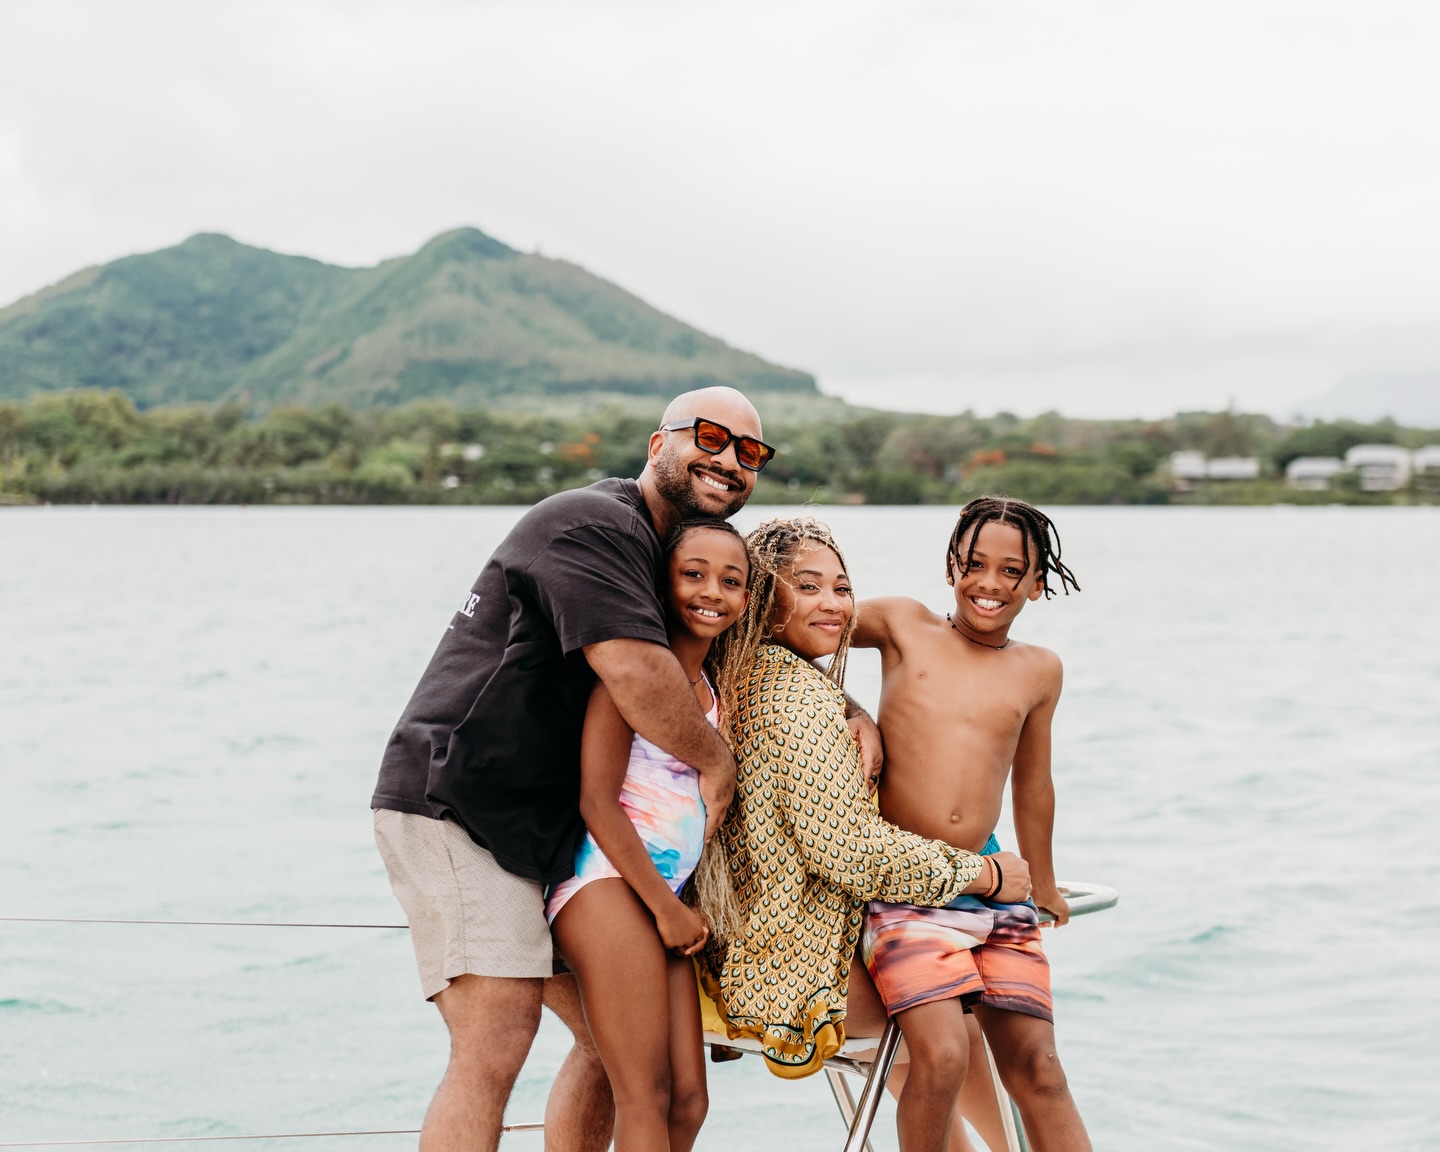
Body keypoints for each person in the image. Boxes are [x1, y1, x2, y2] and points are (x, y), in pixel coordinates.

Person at [370, 387, 775, 1152]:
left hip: (547, 830)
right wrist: (717, 762)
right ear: (659, 443)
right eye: (711, 438)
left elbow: (752, 647)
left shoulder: (664, 558)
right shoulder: (594, 523)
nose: (729, 460)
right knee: (496, 1034)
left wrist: (850, 714)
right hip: (457, 798)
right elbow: (634, 672)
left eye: (750, 452)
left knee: (610, 1043)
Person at [701, 516, 1032, 1080]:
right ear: (759, 593)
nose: (832, 602)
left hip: (747, 940)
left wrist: (857, 712)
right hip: (795, 966)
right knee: (957, 1027)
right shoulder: (796, 700)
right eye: (807, 587)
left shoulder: (746, 671)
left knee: (950, 1031)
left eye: (841, 586)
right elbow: (848, 852)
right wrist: (984, 875)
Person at [851, 495, 1090, 1152]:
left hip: (992, 882)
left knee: (1039, 1066)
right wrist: (851, 711)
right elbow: (796, 629)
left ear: (1036, 583)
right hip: (905, 884)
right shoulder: (902, 625)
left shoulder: (1039, 669)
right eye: (976, 564)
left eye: (1012, 571)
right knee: (944, 1057)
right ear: (951, 564)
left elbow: (1033, 782)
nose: (990, 584)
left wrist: (1042, 883)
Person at [548, 518, 750, 1152]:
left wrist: (862, 720)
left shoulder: (715, 689)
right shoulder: (628, 679)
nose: (711, 591)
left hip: (664, 899)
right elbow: (596, 804)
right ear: (660, 584)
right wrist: (667, 909)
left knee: (688, 1101)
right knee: (645, 1094)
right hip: (608, 882)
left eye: (731, 580)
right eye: (693, 574)